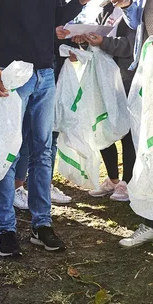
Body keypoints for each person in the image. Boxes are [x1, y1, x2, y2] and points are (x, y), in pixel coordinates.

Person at [0, 0, 91, 256]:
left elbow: (54, 17)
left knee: (43, 151)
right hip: (11, 73)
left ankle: (42, 225)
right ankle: (6, 230)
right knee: (8, 153)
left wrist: (79, 3)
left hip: (45, 73)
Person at [68, 3, 137, 202]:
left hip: (126, 78)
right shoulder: (105, 10)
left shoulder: (136, 9)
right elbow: (96, 42)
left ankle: (127, 182)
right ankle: (113, 179)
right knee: (102, 126)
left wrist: (103, 42)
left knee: (127, 130)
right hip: (102, 79)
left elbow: (131, 46)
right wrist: (84, 41)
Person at [111, 0, 153, 247]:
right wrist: (126, 4)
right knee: (147, 147)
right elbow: (135, 22)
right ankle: (149, 220)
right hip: (147, 71)